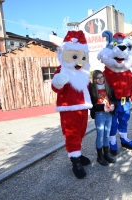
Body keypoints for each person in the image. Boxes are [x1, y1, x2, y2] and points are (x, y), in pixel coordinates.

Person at [51, 30, 92, 179]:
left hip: (83, 107)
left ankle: (77, 154)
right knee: (72, 134)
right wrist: (58, 81)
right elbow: (55, 87)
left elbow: (89, 88)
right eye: (75, 57)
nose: (79, 61)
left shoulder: (84, 72)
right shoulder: (62, 70)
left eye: (82, 57)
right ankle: (75, 161)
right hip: (69, 108)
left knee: (81, 133)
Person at [97, 31, 132, 155]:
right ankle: (112, 141)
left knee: (124, 120)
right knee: (112, 122)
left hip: (125, 101)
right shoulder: (107, 72)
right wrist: (105, 103)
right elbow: (102, 89)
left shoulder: (128, 72)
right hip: (113, 102)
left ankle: (124, 139)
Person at [89, 70, 116, 166]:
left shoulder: (108, 87)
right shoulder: (92, 89)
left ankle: (106, 154)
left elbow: (113, 99)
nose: (100, 79)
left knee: (107, 134)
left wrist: (112, 105)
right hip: (99, 114)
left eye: (102, 77)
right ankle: (99, 157)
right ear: (94, 79)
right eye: (98, 78)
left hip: (109, 114)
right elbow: (91, 104)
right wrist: (102, 107)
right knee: (100, 135)